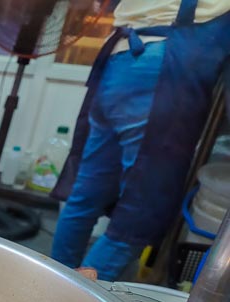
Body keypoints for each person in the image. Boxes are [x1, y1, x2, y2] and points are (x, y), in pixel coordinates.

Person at [50, 0, 230, 281]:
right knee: (143, 209)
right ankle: (73, 300)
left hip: (121, 59)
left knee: (87, 195)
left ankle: (51, 286)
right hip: (164, 66)